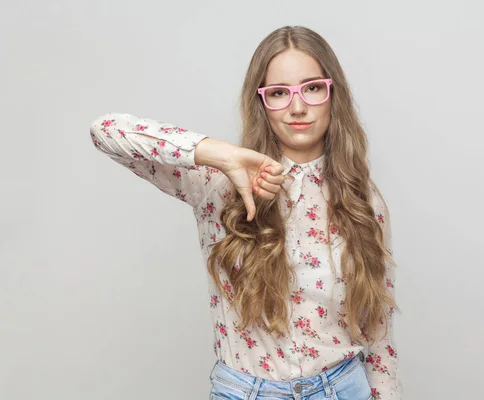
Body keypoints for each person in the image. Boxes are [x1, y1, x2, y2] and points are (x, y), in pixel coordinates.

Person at [90, 25, 400, 400]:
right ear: (260, 102)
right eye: (279, 93)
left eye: (312, 88)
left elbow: (378, 330)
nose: (297, 107)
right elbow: (105, 130)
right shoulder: (218, 183)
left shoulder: (362, 200)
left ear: (333, 94)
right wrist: (220, 155)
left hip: (343, 388)